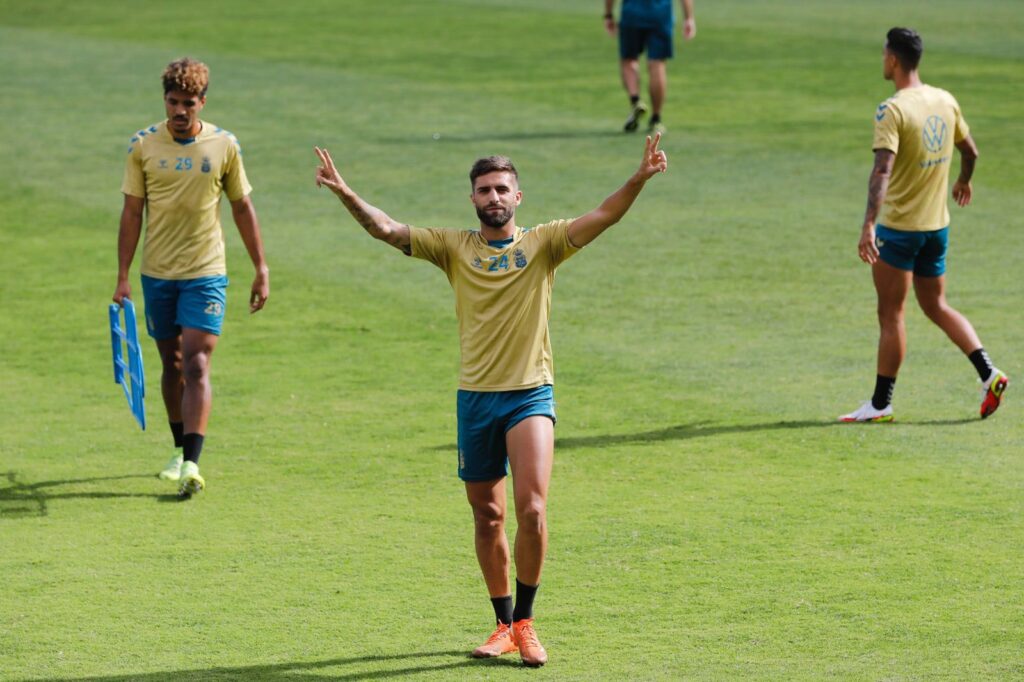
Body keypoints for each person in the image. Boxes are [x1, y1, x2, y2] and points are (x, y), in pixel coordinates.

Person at [314, 136, 668, 666]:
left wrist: (638, 179)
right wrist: (345, 192)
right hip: (475, 398)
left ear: (518, 196)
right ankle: (502, 623)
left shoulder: (545, 243)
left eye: (502, 188)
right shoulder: (453, 247)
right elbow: (386, 229)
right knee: (487, 516)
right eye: (484, 190)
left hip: (529, 394)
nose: (494, 196)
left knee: (532, 507)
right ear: (473, 200)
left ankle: (526, 623)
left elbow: (604, 215)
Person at [113, 58, 270, 495]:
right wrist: (122, 277)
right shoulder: (143, 146)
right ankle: (180, 449)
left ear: (202, 102)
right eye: (172, 102)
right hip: (158, 273)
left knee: (198, 362)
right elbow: (131, 212)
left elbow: (242, 206)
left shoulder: (224, 146)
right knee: (172, 363)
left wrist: (261, 267)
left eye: (188, 103)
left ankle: (192, 465)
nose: (180, 111)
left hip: (206, 272)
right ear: (165, 100)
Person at [840, 28, 1007, 423]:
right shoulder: (944, 100)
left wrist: (868, 225)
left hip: (899, 230)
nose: (882, 60)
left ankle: (881, 404)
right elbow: (972, 151)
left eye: (884, 54)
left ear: (894, 60)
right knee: (935, 304)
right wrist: (963, 180)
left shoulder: (892, 110)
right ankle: (989, 373)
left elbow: (882, 170)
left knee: (891, 315)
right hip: (937, 228)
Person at [604, 0, 696, 133]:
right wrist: (689, 18)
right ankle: (656, 118)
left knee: (629, 60)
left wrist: (608, 14)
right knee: (657, 64)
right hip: (660, 15)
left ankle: (635, 100)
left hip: (632, 14)